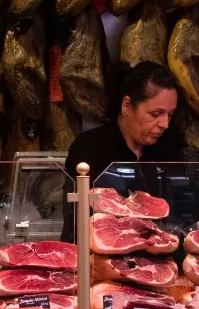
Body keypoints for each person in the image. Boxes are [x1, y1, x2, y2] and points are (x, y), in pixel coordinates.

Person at [60, 62, 192, 242]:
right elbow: (76, 223)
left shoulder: (171, 149)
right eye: (155, 114)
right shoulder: (89, 148)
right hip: (103, 251)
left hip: (161, 252)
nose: (165, 124)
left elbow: (185, 215)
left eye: (170, 114)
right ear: (127, 105)